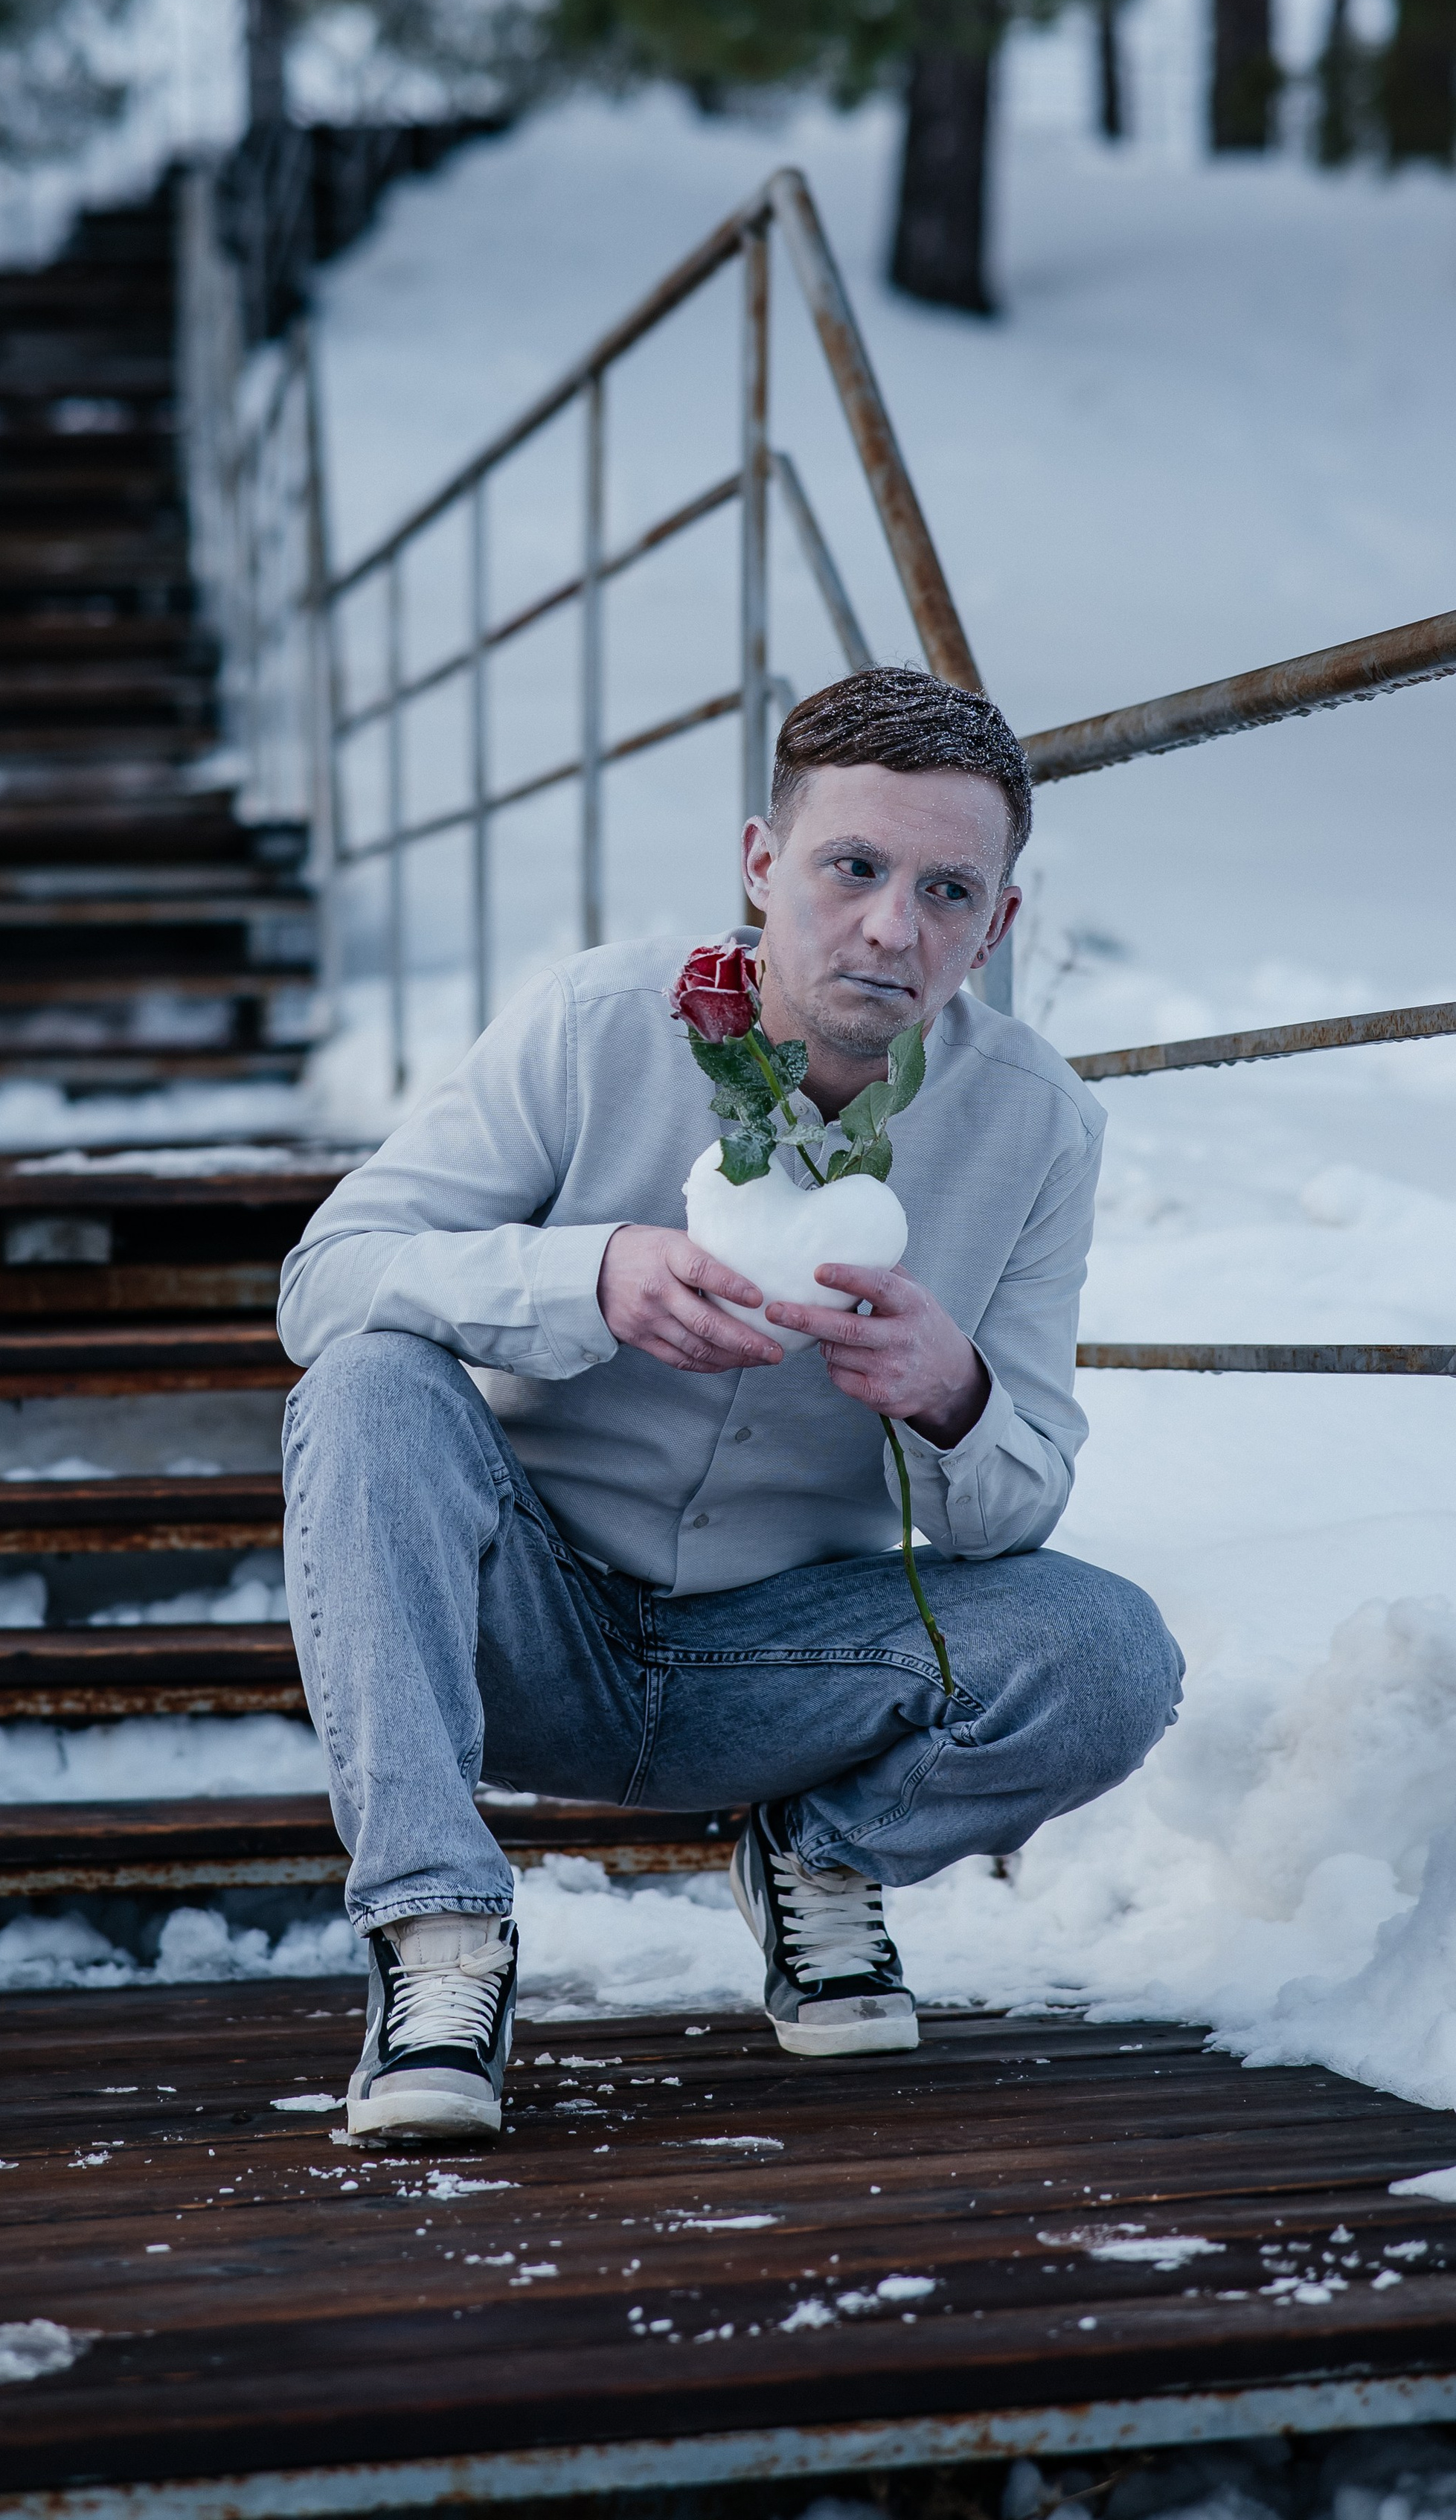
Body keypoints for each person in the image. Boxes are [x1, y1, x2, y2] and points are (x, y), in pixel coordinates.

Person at [278, 667, 1182, 2144]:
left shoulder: (1033, 1126)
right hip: (524, 1626)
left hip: (786, 1664)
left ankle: (823, 1860)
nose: (895, 926)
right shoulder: (593, 1024)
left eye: (949, 889)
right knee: (369, 1379)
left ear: (997, 923)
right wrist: (591, 1279)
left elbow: (1022, 1501)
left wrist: (948, 1394)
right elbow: (322, 1285)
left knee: (1105, 1654)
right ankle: (437, 1941)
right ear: (761, 864)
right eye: (852, 868)